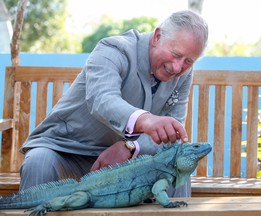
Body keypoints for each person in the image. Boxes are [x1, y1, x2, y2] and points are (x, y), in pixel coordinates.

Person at [19, 10, 208, 197]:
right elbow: (102, 99)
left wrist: (131, 147)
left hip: (127, 163)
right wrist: (146, 120)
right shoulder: (113, 49)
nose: (177, 67)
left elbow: (171, 133)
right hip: (66, 150)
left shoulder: (184, 74)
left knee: (176, 172)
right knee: (38, 162)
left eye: (188, 61)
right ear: (157, 37)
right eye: (175, 54)